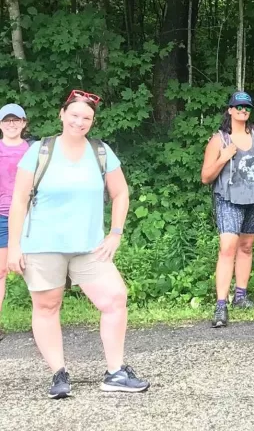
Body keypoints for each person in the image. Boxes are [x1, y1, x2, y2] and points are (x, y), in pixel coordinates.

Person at [7, 90, 149, 399]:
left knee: (115, 299)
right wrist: (14, 247)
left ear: (92, 121)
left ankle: (115, 372)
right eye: (74, 115)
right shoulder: (40, 151)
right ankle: (59, 374)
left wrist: (115, 233)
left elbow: (121, 194)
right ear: (62, 114)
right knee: (47, 306)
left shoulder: (101, 152)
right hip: (42, 244)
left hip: (89, 246)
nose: (79, 121)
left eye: (86, 117)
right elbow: (18, 201)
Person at [201, 91, 254, 328]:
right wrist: (223, 158)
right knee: (227, 249)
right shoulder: (219, 140)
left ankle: (240, 296)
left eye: (247, 108)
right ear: (230, 110)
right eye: (239, 107)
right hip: (228, 198)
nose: (243, 111)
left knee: (247, 246)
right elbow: (205, 177)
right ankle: (221, 305)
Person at [0, 103, 30, 341]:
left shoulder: (33, 151)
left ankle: (43, 323)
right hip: (1, 217)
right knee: (0, 272)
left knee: (37, 271)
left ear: (23, 123)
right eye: (6, 120)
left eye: (16, 120)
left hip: (30, 217)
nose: (11, 124)